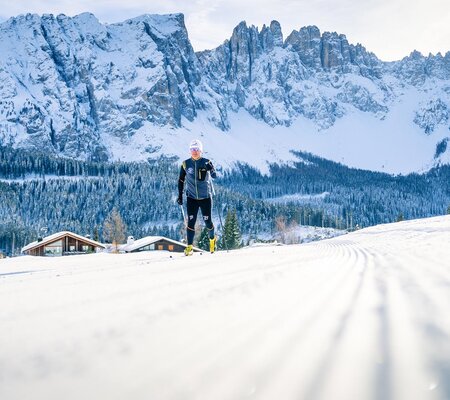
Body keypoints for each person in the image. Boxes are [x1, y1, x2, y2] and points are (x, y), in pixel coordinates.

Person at [177, 139, 217, 255]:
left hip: (205, 198)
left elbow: (214, 176)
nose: (194, 152)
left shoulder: (206, 162)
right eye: (192, 149)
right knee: (191, 222)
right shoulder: (185, 164)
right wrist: (180, 196)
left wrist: (212, 170)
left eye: (196, 149)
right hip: (191, 198)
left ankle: (212, 240)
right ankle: (189, 247)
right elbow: (181, 180)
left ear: (201, 151)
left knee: (208, 221)